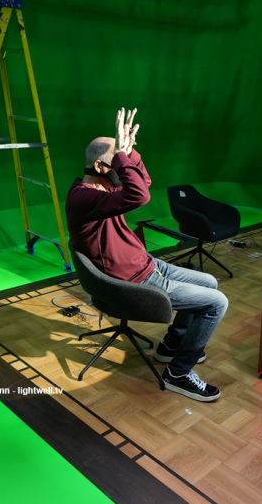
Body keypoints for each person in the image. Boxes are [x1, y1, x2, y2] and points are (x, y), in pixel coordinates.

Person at [64, 108, 228, 402]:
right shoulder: (84, 197)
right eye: (117, 159)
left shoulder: (105, 187)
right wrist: (124, 159)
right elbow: (139, 195)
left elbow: (144, 183)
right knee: (218, 303)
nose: (122, 163)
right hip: (132, 280)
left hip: (148, 266)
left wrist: (130, 152)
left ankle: (171, 346)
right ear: (103, 166)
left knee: (210, 283)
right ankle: (178, 374)